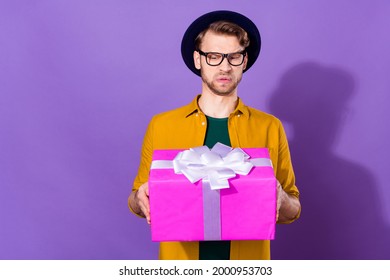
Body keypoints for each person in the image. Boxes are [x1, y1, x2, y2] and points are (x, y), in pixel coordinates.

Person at [128, 10, 301, 260]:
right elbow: (136, 201)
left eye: (233, 57)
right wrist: (140, 198)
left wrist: (280, 197)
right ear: (198, 60)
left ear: (244, 61)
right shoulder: (162, 125)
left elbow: (292, 210)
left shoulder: (269, 127)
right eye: (214, 56)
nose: (224, 66)